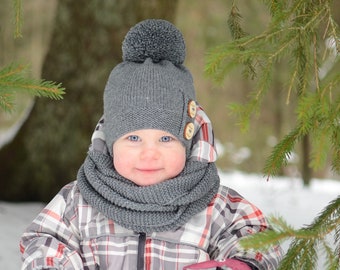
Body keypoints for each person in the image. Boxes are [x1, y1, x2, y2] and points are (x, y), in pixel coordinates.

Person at [20, 19, 282, 270]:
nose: (149, 154)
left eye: (166, 139)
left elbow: (257, 239)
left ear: (188, 143)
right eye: (133, 138)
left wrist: (241, 264)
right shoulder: (80, 200)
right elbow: (45, 240)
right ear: (111, 143)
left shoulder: (214, 203)